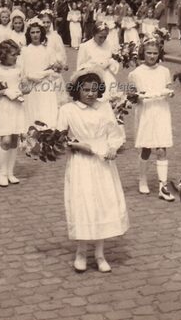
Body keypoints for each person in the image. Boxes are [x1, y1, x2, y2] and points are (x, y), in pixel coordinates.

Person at [59, 68, 128, 273]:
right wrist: (78, 145)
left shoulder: (104, 107)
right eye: (86, 89)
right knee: (84, 204)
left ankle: (99, 254)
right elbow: (60, 138)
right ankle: (81, 252)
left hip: (102, 162)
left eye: (94, 89)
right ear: (77, 90)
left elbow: (114, 133)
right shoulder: (68, 110)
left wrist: (113, 148)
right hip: (81, 162)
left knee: (102, 204)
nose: (90, 94)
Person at [129, 38, 174, 200]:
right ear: (143, 53)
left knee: (162, 148)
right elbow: (131, 95)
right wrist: (138, 96)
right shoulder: (136, 73)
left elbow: (168, 88)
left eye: (155, 53)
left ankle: (163, 185)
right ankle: (142, 179)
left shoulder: (164, 71)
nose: (152, 56)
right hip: (146, 112)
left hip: (161, 111)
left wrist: (169, 92)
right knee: (146, 148)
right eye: (149, 53)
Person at [0, 40, 29, 187]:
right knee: (5, 140)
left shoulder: (19, 68)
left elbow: (26, 87)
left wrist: (22, 90)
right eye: (12, 54)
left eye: (16, 54)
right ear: (4, 54)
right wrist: (5, 92)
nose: (15, 57)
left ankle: (11, 173)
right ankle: (3, 173)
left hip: (17, 106)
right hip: (3, 107)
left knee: (14, 140)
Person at [18, 22, 60, 128]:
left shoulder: (48, 50)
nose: (35, 35)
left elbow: (54, 70)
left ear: (41, 34)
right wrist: (28, 79)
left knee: (46, 110)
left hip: (45, 85)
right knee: (32, 110)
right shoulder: (24, 50)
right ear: (29, 34)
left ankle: (47, 132)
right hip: (31, 86)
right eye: (32, 32)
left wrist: (45, 73)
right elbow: (21, 70)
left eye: (38, 32)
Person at [76, 22, 120, 101]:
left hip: (107, 77)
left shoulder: (109, 45)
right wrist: (91, 67)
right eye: (100, 37)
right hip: (91, 78)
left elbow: (113, 61)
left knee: (109, 99)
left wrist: (111, 62)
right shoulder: (85, 46)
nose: (102, 39)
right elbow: (80, 66)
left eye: (105, 37)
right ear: (94, 34)